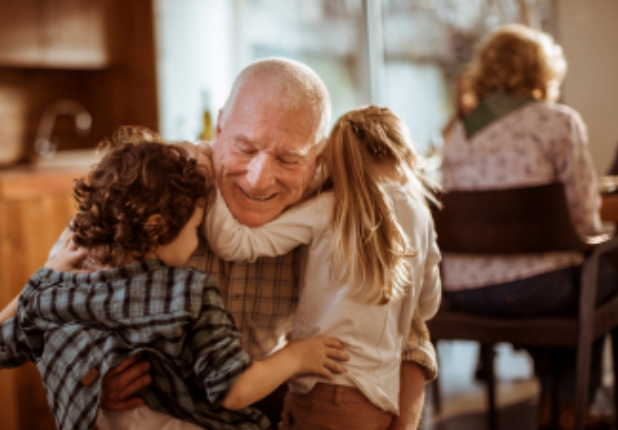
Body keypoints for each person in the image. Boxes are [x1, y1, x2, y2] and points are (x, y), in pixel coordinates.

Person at [65, 58, 438, 430]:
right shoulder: (162, 181)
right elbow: (58, 299)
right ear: (221, 126)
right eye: (245, 148)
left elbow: (408, 333)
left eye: (289, 159)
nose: (259, 180)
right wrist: (90, 376)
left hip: (262, 390)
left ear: (318, 158)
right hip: (149, 404)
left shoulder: (335, 205)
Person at [0, 130, 350, 430]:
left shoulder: (61, 287)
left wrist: (45, 279)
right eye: (195, 228)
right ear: (158, 228)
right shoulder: (189, 293)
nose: (197, 239)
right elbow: (233, 390)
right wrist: (298, 356)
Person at [204, 106, 442, 430]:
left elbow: (232, 243)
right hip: (382, 397)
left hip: (325, 389)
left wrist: (207, 171)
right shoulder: (421, 216)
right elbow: (427, 306)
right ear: (403, 153)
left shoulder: (327, 207)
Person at [440, 24, 617, 430]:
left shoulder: (458, 133)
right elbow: (583, 219)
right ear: (542, 71)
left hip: (464, 292)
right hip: (536, 291)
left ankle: (554, 401)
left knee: (568, 280)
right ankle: (573, 405)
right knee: (598, 275)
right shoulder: (558, 121)